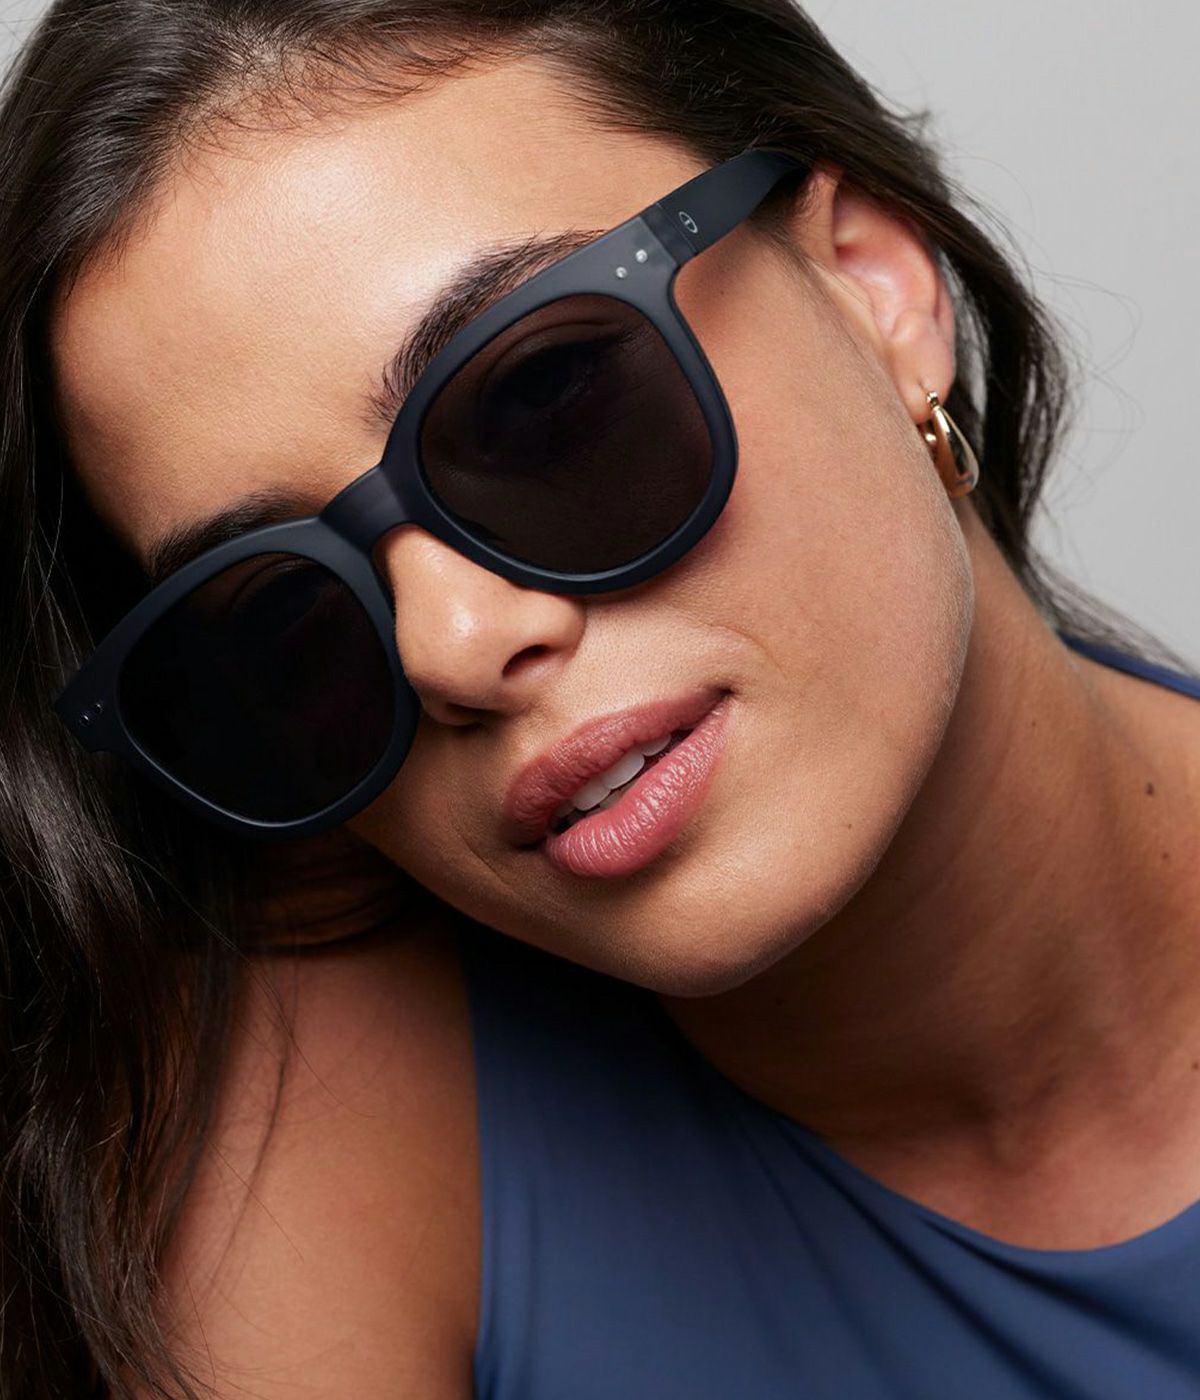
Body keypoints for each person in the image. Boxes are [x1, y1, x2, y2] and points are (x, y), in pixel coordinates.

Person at [1, 1, 1197, 1396]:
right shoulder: (303, 1109)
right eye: (279, 615)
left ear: (876, 288)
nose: (450, 646)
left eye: (545, 398)